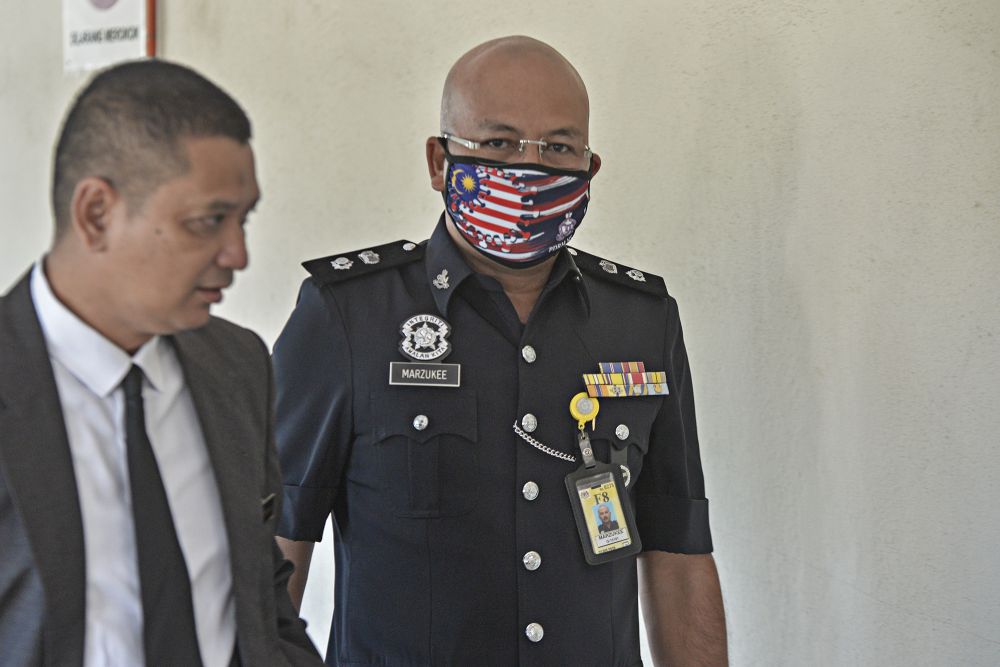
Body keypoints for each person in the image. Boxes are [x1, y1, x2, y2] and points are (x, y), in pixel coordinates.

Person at [274, 36, 727, 666]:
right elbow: (277, 543)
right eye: (499, 143)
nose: (530, 170)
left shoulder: (642, 323)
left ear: (590, 169)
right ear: (439, 161)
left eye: (559, 147)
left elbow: (679, 550)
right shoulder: (348, 317)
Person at [0, 60, 322, 666]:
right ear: (97, 213)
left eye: (243, 220)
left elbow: (261, 596)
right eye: (208, 222)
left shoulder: (238, 364)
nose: (239, 254)